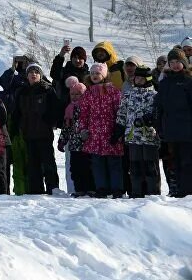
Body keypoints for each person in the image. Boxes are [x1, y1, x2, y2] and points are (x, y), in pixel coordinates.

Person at [11, 63, 60, 195]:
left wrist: (48, 120)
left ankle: (53, 188)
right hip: (28, 133)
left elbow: (56, 109)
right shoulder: (21, 92)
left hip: (44, 133)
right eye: (31, 72)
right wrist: (16, 128)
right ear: (26, 76)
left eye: (36, 72)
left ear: (40, 75)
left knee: (48, 162)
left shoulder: (48, 90)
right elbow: (17, 113)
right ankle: (36, 190)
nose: (33, 74)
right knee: (33, 164)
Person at [79, 62, 124, 198]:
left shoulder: (113, 91)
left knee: (113, 162)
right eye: (92, 73)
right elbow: (84, 113)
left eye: (97, 73)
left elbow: (119, 111)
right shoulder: (88, 93)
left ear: (104, 75)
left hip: (110, 133)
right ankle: (101, 188)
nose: (94, 76)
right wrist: (83, 129)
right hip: (94, 134)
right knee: (97, 163)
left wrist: (119, 130)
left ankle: (117, 188)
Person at [115, 65, 160, 197]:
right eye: (136, 77)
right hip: (132, 136)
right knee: (134, 166)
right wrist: (119, 128)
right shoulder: (128, 95)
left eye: (142, 78)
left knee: (150, 166)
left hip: (149, 137)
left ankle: (153, 193)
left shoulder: (154, 95)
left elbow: (157, 114)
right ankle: (136, 193)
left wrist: (150, 120)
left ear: (148, 79)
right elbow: (122, 113)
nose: (138, 80)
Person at [156, 47, 192, 197]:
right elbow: (159, 107)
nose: (175, 65)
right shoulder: (165, 83)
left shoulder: (189, 81)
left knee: (187, 161)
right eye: (172, 62)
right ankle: (177, 190)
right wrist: (159, 126)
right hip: (170, 129)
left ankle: (187, 191)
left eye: (178, 62)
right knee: (173, 161)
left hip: (187, 129)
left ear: (184, 62)